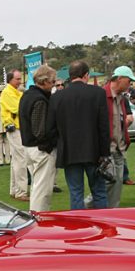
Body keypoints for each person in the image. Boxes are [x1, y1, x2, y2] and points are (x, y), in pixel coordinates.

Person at [46, 60, 110, 210]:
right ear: (86, 75)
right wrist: (105, 153)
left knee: (76, 194)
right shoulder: (98, 93)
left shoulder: (57, 97)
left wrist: (61, 142)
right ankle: (103, 226)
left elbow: (50, 128)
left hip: (70, 151)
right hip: (94, 151)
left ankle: (80, 229)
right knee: (99, 192)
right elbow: (104, 127)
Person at [19, 65, 57, 212]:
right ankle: (39, 219)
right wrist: (49, 145)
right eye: (52, 81)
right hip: (40, 149)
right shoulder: (39, 100)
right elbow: (40, 131)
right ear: (45, 81)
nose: (53, 85)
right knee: (43, 190)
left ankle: (37, 217)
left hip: (29, 147)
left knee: (37, 187)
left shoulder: (27, 95)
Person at [102, 66, 135, 208]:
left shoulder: (122, 99)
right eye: (129, 81)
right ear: (119, 79)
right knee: (106, 184)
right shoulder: (101, 95)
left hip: (119, 148)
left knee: (117, 184)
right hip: (106, 149)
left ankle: (113, 212)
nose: (130, 84)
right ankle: (85, 209)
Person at [1, 70, 28, 201]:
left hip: (17, 128)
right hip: (14, 128)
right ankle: (21, 192)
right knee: (21, 160)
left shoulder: (16, 91)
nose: (20, 81)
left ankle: (15, 190)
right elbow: (18, 108)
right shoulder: (8, 92)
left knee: (16, 160)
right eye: (17, 79)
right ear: (10, 80)